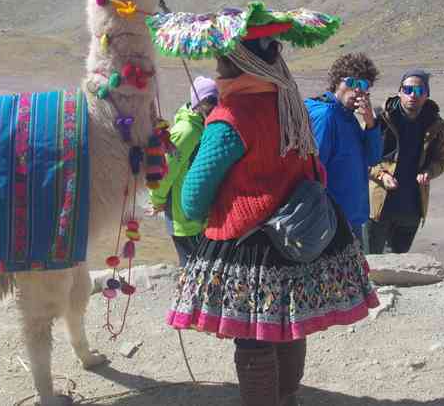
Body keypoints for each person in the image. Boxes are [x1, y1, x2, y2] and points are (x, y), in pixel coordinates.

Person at [166, 33, 377, 406]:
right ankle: (288, 397)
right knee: (288, 326)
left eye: (221, 64)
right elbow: (316, 170)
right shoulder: (291, 106)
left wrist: (204, 215)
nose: (217, 73)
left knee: (253, 340)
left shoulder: (229, 118)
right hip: (297, 236)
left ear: (239, 68)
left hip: (250, 246)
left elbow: (193, 197)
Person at [366, 69, 444, 253]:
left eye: (419, 91)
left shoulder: (436, 126)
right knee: (371, 259)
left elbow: (442, 160)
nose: (413, 95)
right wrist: (382, 175)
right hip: (378, 205)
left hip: (412, 207)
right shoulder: (380, 119)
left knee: (399, 260)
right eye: (408, 89)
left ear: (427, 95)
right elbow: (363, 157)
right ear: (399, 92)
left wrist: (429, 172)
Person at [305, 53, 382, 248]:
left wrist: (370, 123)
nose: (357, 89)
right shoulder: (327, 115)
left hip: (350, 217)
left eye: (363, 85)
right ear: (337, 81)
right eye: (351, 82)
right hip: (330, 222)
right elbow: (313, 171)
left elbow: (373, 158)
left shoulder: (348, 117)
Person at [148, 76, 218, 265]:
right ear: (197, 104)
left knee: (204, 265)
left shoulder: (206, 127)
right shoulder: (186, 132)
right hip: (182, 218)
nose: (213, 106)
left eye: (216, 101)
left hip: (199, 215)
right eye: (208, 102)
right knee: (192, 266)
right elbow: (163, 171)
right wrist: (157, 200)